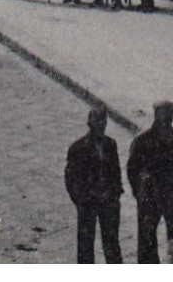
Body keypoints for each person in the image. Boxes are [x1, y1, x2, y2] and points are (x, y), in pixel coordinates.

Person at [128, 100, 173, 263]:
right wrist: (139, 193)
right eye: (163, 116)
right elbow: (132, 169)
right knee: (147, 239)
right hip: (150, 196)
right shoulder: (143, 140)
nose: (167, 120)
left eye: (170, 116)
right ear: (156, 116)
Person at [64, 107, 123, 263]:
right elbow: (71, 178)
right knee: (85, 245)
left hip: (108, 201)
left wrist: (115, 195)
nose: (101, 125)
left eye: (103, 121)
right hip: (88, 202)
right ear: (89, 123)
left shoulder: (111, 144)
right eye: (97, 121)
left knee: (112, 244)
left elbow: (116, 173)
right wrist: (81, 199)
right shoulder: (78, 148)